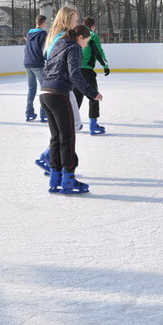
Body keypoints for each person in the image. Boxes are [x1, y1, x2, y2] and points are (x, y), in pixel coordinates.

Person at [40, 24, 103, 194]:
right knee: (67, 137)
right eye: (86, 41)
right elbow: (75, 74)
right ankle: (68, 179)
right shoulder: (74, 47)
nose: (85, 45)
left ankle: (55, 177)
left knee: (56, 137)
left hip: (45, 92)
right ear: (80, 38)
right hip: (59, 94)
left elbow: (47, 66)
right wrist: (92, 93)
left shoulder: (59, 43)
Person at [73, 17, 110, 135]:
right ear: (93, 26)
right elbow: (98, 51)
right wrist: (105, 65)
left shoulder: (76, 34)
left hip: (75, 70)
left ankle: (72, 123)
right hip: (87, 71)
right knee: (94, 96)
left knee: (76, 97)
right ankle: (93, 125)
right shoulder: (92, 35)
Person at [23, 14, 47, 121]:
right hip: (38, 63)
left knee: (31, 89)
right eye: (46, 23)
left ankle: (29, 112)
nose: (46, 25)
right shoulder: (43, 34)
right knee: (44, 88)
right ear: (42, 23)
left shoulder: (29, 33)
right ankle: (44, 113)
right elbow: (44, 49)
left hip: (27, 63)